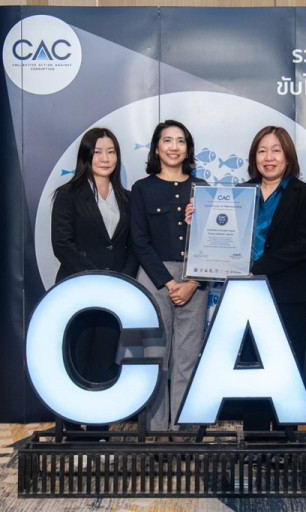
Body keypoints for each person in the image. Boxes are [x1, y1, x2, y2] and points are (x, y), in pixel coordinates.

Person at [51, 127, 138, 436]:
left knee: (105, 356)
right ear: (86, 156)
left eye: (111, 152)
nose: (105, 158)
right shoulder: (68, 195)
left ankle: (100, 426)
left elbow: (132, 246)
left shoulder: (127, 198)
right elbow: (62, 245)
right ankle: (73, 426)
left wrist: (120, 280)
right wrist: (94, 279)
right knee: (76, 355)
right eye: (98, 151)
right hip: (78, 290)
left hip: (115, 293)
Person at [130, 120, 210, 434]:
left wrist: (192, 282)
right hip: (154, 278)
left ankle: (183, 430)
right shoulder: (142, 188)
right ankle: (157, 431)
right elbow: (139, 241)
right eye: (167, 140)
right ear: (156, 148)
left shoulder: (203, 187)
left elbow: (213, 240)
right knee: (154, 357)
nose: (174, 147)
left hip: (195, 278)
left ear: (188, 149)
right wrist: (169, 282)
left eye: (180, 141)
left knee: (187, 357)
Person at [243, 125, 306, 432]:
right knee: (252, 364)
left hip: (290, 294)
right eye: (262, 151)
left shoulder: (305, 194)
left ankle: (287, 438)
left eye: (276, 150)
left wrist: (260, 267)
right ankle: (256, 436)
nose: (269, 157)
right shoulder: (240, 192)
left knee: (288, 365)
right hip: (247, 294)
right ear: (254, 157)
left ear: (288, 155)